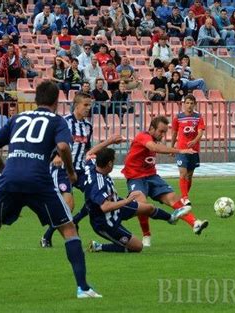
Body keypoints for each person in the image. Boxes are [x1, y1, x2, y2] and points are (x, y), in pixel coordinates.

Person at [0, 81, 102, 300]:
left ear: (36, 99)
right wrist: (71, 172)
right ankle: (82, 288)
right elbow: (63, 147)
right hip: (38, 180)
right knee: (69, 229)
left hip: (10, 179)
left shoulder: (18, 118)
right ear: (56, 101)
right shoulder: (57, 120)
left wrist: (2, 169)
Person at [41, 92, 124, 247]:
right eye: (85, 105)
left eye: (90, 105)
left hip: (80, 169)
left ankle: (76, 221)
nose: (88, 108)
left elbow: (88, 151)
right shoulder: (63, 122)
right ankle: (47, 236)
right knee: (68, 206)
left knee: (95, 198)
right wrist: (54, 156)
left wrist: (109, 142)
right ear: (76, 105)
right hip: (63, 169)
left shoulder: (88, 126)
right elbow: (49, 142)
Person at [122, 115, 208, 247]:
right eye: (161, 131)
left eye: (164, 132)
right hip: (136, 177)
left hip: (152, 176)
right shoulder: (143, 136)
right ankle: (146, 235)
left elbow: (157, 147)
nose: (162, 135)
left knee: (173, 197)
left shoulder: (155, 140)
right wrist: (180, 150)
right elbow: (154, 148)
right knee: (142, 204)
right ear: (151, 128)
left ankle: (195, 223)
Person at [86, 148, 184, 253]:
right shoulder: (98, 184)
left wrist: (110, 140)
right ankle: (98, 246)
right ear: (109, 163)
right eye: (113, 161)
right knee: (137, 247)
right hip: (105, 222)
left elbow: (89, 153)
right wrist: (126, 201)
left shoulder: (92, 165)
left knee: (148, 208)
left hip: (116, 206)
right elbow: (105, 207)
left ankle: (171, 218)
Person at [170, 94, 205, 212]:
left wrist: (194, 141)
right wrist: (172, 147)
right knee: (183, 173)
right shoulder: (178, 118)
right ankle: (185, 197)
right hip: (181, 150)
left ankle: (183, 197)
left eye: (191, 103)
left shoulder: (198, 117)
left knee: (189, 175)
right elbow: (174, 133)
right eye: (187, 103)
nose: (189, 105)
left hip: (194, 150)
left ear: (194, 104)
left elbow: (200, 132)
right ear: (184, 104)